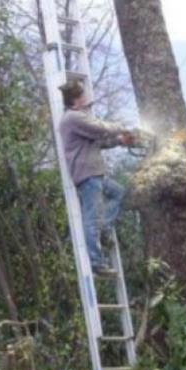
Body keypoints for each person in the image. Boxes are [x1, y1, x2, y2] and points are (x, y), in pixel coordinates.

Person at [59, 79, 136, 276]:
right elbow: (100, 128)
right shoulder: (73, 118)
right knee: (90, 218)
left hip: (94, 172)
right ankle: (96, 262)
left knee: (118, 192)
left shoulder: (78, 119)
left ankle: (104, 229)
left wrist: (120, 140)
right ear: (76, 100)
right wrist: (122, 127)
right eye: (82, 95)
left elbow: (98, 142)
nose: (86, 98)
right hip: (87, 174)